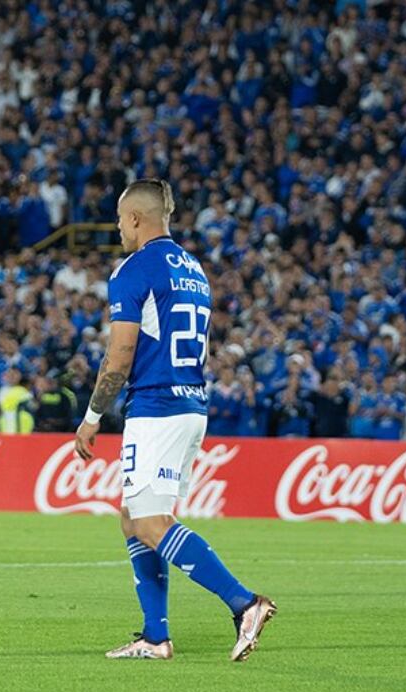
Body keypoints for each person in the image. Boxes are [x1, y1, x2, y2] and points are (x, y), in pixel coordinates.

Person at [73, 179, 275, 662]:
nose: (119, 229)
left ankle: (244, 602)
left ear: (137, 219)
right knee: (133, 518)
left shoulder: (132, 270)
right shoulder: (193, 269)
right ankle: (154, 636)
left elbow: (120, 354)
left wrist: (92, 415)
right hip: (190, 405)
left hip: (156, 408)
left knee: (150, 522)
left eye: (122, 220)